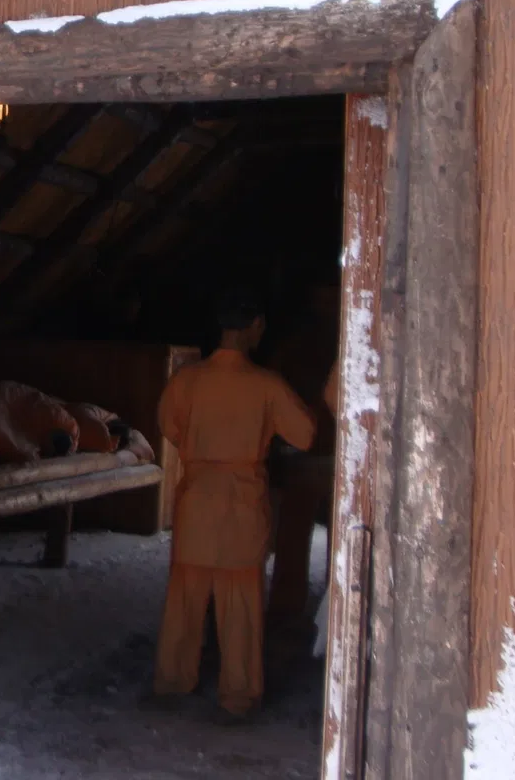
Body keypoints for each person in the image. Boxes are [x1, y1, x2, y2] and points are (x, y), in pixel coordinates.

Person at [152, 287, 317, 719]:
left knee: (185, 596)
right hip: (243, 501)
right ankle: (239, 694)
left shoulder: (186, 380)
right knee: (240, 602)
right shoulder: (266, 385)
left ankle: (173, 681)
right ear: (256, 327)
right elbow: (305, 434)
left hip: (198, 499)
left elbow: (168, 425)